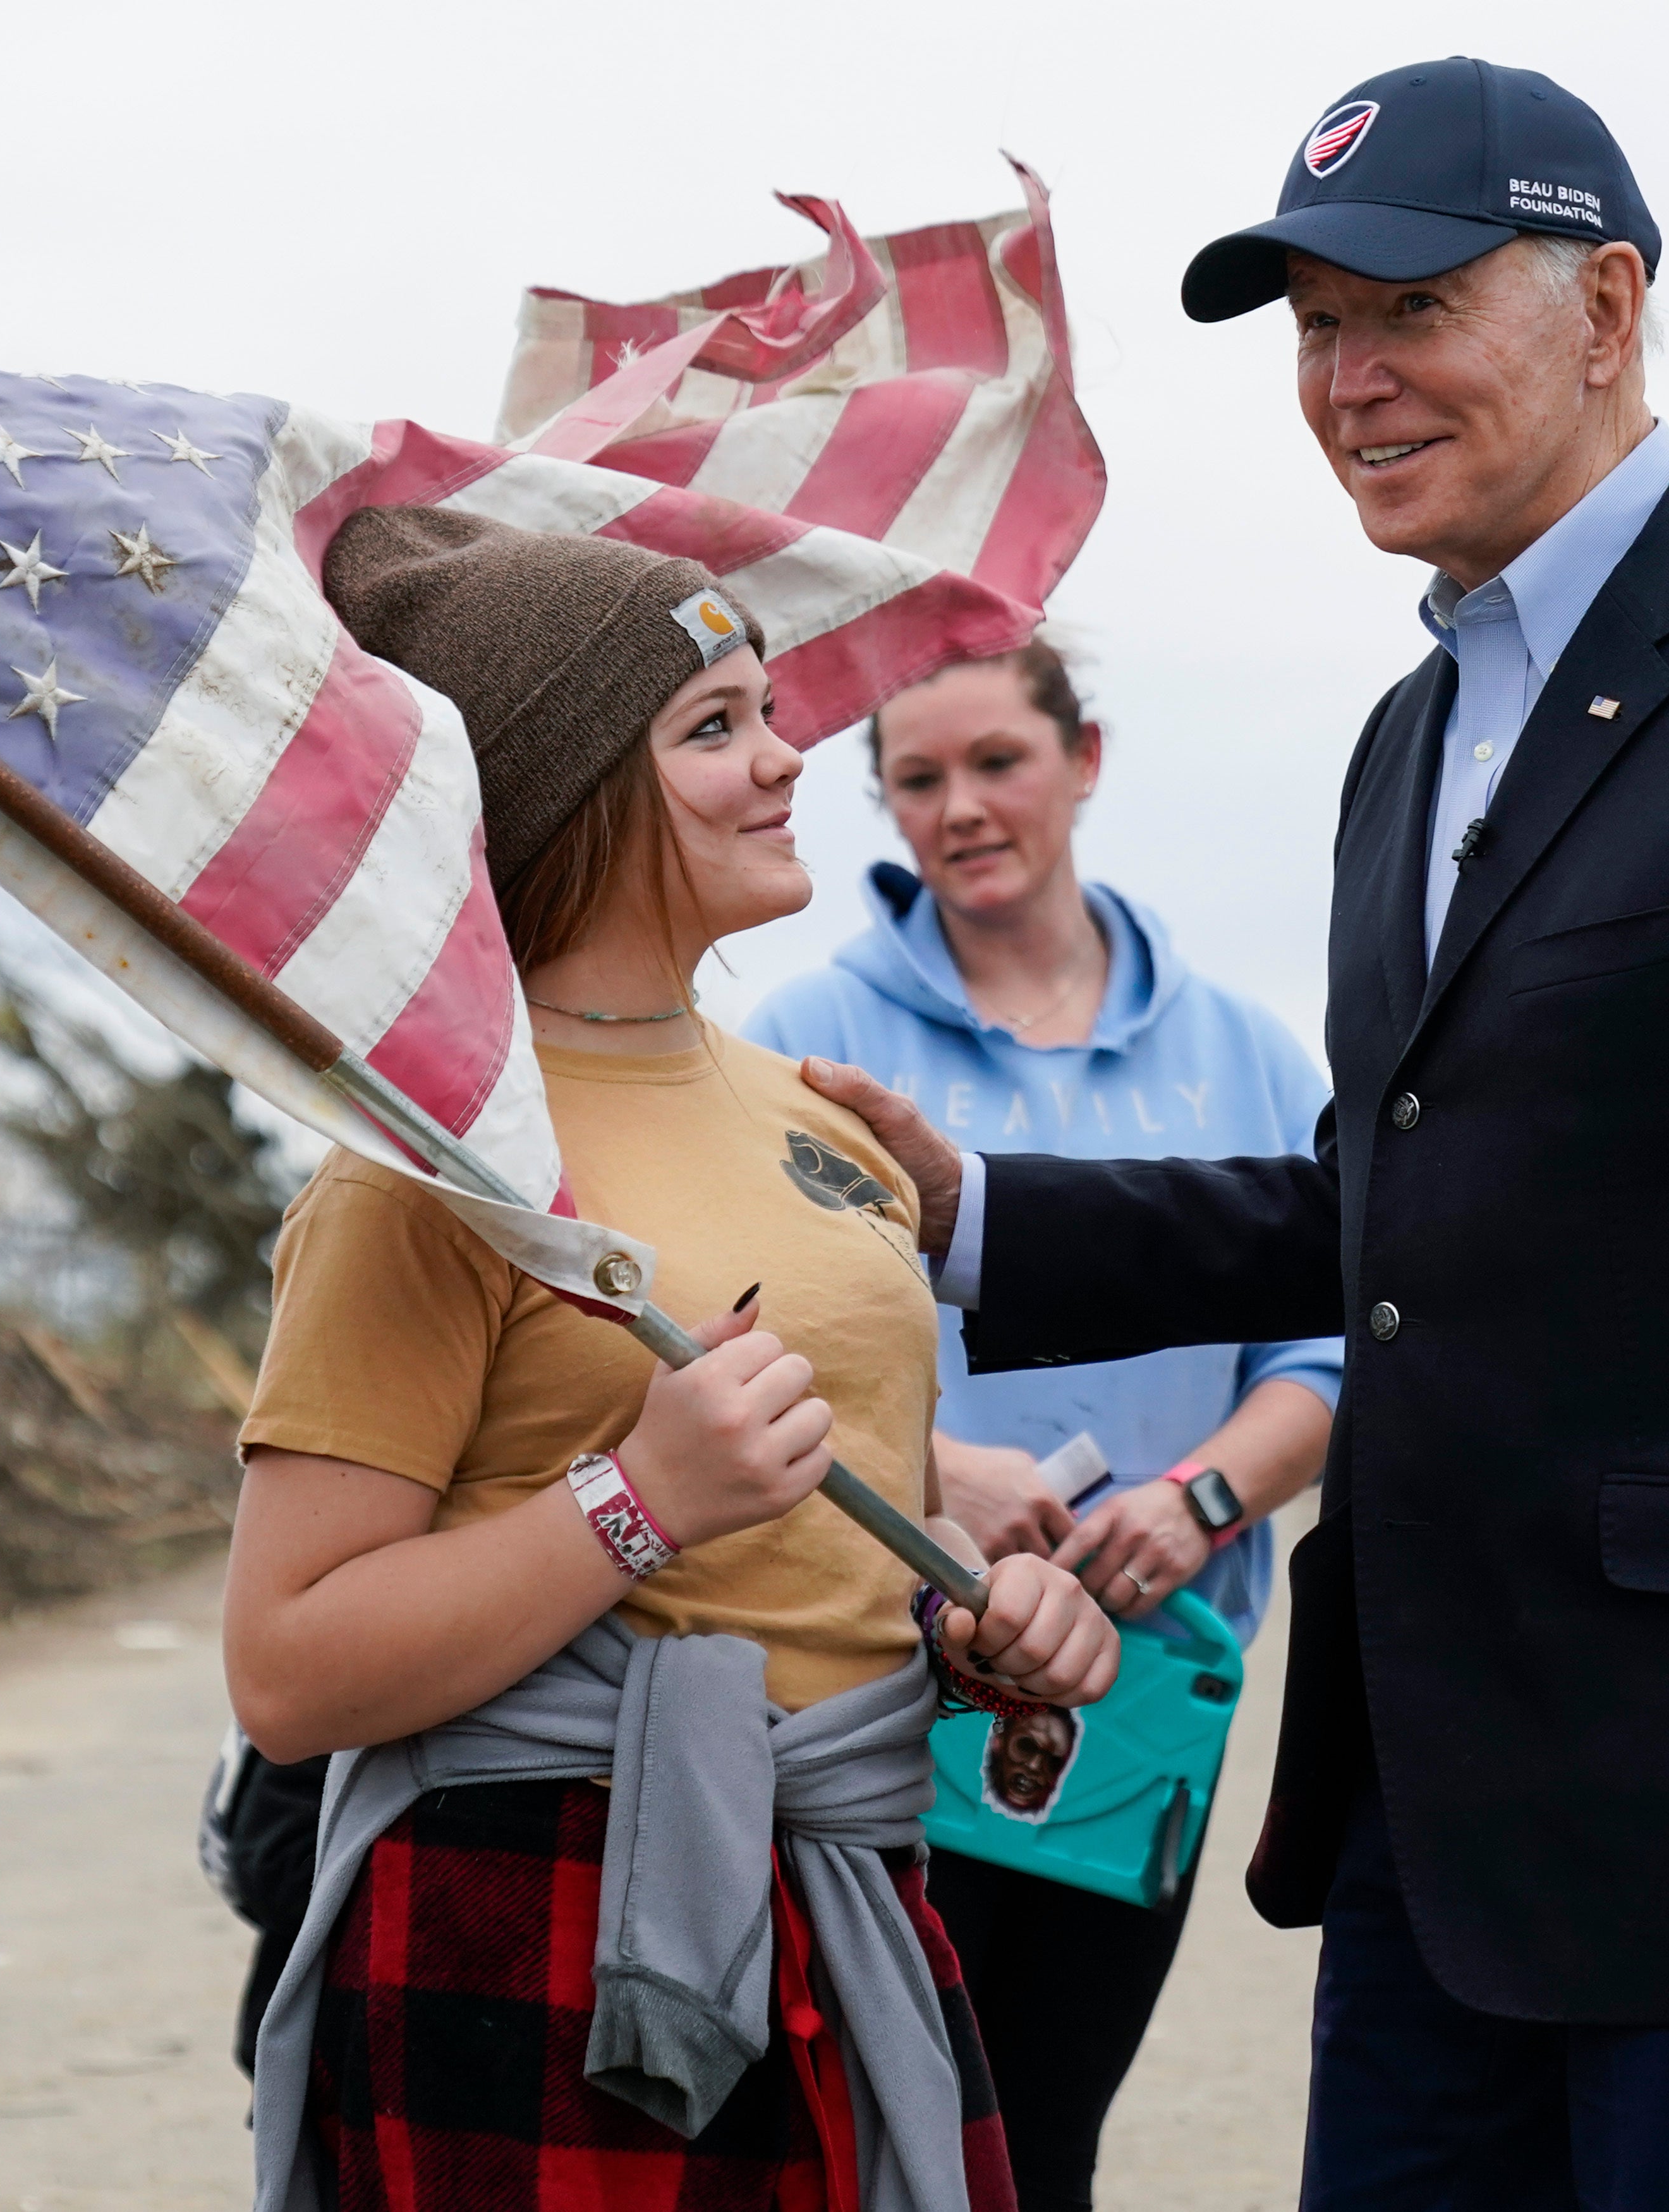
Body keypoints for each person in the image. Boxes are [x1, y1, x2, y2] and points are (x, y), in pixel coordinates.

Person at [798, 57, 1669, 2208]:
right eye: (1314, 328)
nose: (1348, 379)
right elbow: (1407, 1206)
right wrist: (976, 1209)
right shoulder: (1410, 727)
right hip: (1425, 1808)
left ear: (1608, 306)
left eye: (1411, 308)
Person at [222, 505, 1120, 2212]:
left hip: (847, 1893)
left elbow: (834, 1539)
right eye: (715, 726)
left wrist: (976, 1617)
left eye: (768, 712)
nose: (786, 760)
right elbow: (286, 1666)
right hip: (533, 1913)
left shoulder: (828, 1125)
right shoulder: (433, 1165)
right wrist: (634, 1498)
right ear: (562, 787)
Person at [743, 641, 1338, 2211]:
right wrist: (932, 1468)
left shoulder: (1244, 1047)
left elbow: (1335, 1346)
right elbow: (732, 1327)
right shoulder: (809, 1035)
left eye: (997, 761)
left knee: (1044, 2133)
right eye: (917, 778)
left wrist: (1201, 1497)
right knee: (864, 2124)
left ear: (1085, 758)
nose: (960, 807)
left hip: (1141, 1699)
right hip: (876, 1683)